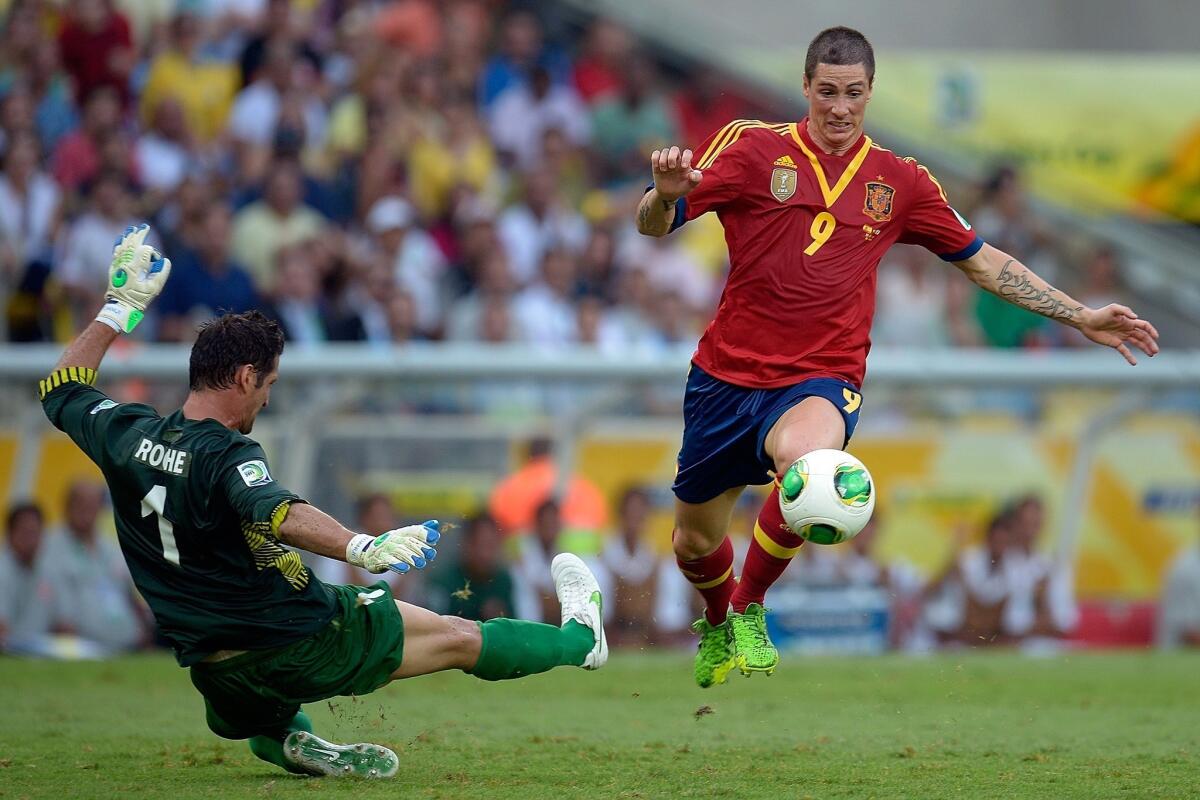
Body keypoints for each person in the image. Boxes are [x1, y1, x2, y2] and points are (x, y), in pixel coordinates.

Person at [634, 26, 1160, 688]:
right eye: (827, 91)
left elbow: (985, 264)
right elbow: (653, 225)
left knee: (816, 472)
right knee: (693, 542)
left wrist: (1080, 313)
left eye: (853, 93)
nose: (839, 107)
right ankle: (716, 622)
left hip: (820, 378)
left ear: (870, 94)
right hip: (725, 378)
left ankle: (746, 609)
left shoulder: (900, 181)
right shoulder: (754, 149)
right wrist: (664, 193)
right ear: (806, 88)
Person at [39, 224, 606, 778]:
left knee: (263, 708)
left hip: (215, 672)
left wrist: (118, 307)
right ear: (243, 377)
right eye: (269, 383)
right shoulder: (229, 455)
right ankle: (580, 640)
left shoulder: (127, 434)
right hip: (298, 639)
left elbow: (62, 386)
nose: (267, 397)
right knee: (459, 637)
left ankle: (289, 740)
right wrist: (362, 546)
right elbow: (281, 512)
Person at [41, 481, 145, 653]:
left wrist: (143, 625)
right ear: (67, 505)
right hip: (82, 646)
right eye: (81, 503)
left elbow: (131, 594)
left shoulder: (111, 548)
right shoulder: (50, 546)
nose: (87, 511)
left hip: (127, 644)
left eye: (93, 504)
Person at [0, 502, 54, 653]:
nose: (30, 540)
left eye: (35, 533)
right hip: (11, 654)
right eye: (25, 532)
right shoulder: (2, 571)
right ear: (9, 534)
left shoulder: (47, 571)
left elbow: (62, 622)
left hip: (43, 652)